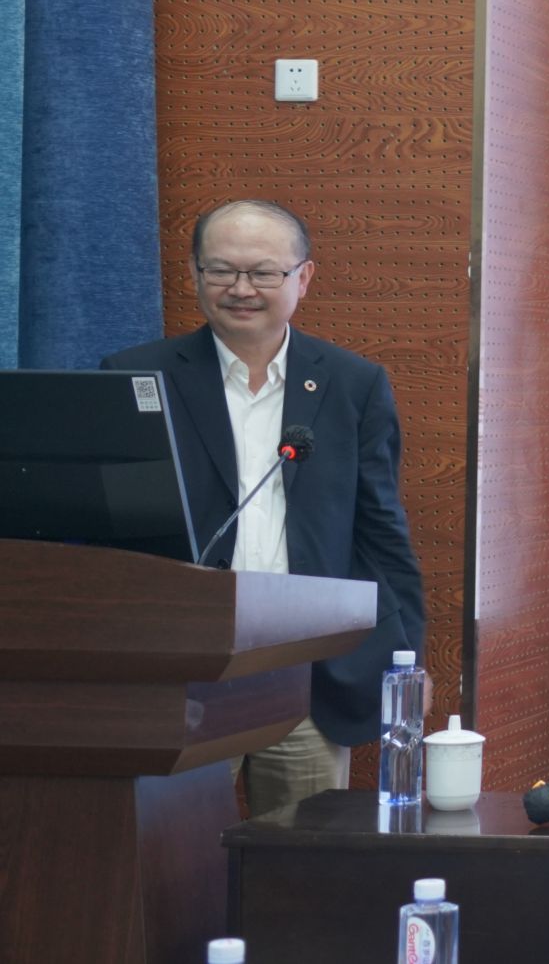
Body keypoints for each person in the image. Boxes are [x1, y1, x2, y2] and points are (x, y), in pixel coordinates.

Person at [103, 199, 426, 816]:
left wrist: (411, 661)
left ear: (303, 278)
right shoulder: (138, 375)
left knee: (302, 851)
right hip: (186, 672)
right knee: (178, 846)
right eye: (221, 270)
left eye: (263, 273)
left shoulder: (352, 385)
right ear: (195, 274)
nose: (241, 289)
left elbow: (382, 532)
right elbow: (115, 535)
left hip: (305, 671)